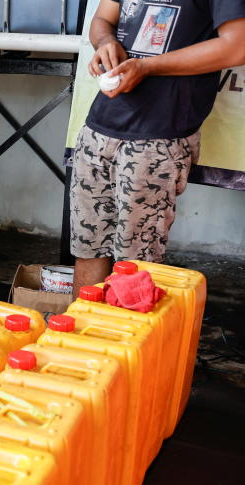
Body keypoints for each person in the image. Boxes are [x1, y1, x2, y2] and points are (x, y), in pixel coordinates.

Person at [70, 0, 245, 295]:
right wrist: (106, 41)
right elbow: (103, 18)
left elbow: (236, 46)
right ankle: (81, 336)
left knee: (137, 261)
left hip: (159, 138)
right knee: (88, 246)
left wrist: (147, 66)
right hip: (99, 127)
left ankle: (128, 339)